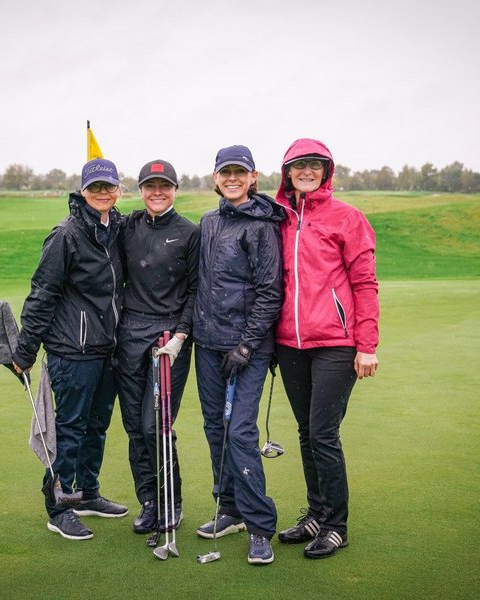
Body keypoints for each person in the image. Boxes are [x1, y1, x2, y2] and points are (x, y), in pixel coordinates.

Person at [12, 158, 129, 541]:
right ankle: (59, 508)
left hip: (106, 348)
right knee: (71, 430)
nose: (102, 193)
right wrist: (25, 348)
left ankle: (88, 494)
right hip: (71, 350)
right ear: (82, 192)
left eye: (108, 187)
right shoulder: (66, 234)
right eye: (95, 188)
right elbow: (42, 293)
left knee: (96, 427)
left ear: (118, 190)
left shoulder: (114, 229)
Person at [274, 138, 379, 559]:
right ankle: (316, 514)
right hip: (289, 344)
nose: (306, 171)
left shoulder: (347, 218)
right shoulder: (278, 219)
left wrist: (366, 345)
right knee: (305, 432)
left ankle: (336, 525)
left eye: (315, 165)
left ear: (326, 171)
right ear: (287, 172)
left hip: (336, 343)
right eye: (299, 165)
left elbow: (365, 285)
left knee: (322, 432)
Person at [192, 145, 284, 565]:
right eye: (224, 172)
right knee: (216, 427)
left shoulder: (261, 225)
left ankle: (260, 525)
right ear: (215, 178)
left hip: (246, 347)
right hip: (208, 344)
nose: (231, 178)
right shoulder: (209, 221)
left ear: (252, 177)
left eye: (239, 173)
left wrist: (246, 344)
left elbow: (270, 292)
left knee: (241, 430)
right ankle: (228, 507)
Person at [116, 160, 199, 535]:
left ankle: (172, 503)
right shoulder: (129, 226)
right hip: (129, 334)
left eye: (164, 186)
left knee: (156, 427)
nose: (157, 192)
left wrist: (182, 335)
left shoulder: (189, 233)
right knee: (135, 426)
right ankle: (149, 501)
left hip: (167, 339)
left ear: (175, 189)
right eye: (150, 186)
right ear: (140, 190)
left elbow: (197, 292)